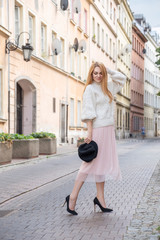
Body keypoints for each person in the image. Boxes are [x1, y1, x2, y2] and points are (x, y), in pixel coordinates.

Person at [63, 62, 126, 215]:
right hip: (97, 130)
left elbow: (122, 78)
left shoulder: (109, 87)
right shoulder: (90, 89)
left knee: (101, 165)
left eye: (100, 73)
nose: (98, 76)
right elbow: (88, 112)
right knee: (89, 164)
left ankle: (100, 198)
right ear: (91, 74)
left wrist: (108, 69)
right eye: (95, 73)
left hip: (108, 130)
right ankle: (72, 197)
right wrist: (89, 133)